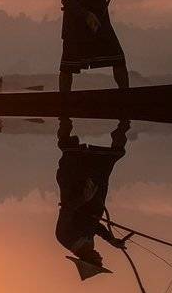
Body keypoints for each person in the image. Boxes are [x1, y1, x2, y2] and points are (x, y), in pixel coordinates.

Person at [54, 117, 132, 279]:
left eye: (98, 261)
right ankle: (124, 124)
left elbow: (68, 209)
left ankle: (64, 117)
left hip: (76, 183)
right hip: (94, 190)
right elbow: (94, 224)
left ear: (87, 260)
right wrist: (111, 240)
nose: (100, 258)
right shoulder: (87, 243)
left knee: (70, 149)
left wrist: (85, 197)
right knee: (115, 154)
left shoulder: (65, 238)